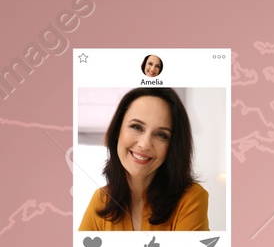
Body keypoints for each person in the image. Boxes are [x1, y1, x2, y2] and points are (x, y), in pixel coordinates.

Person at [79, 87, 209, 231]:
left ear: (172, 146)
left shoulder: (191, 199)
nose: (145, 144)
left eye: (161, 135)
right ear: (117, 130)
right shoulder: (101, 199)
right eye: (136, 127)